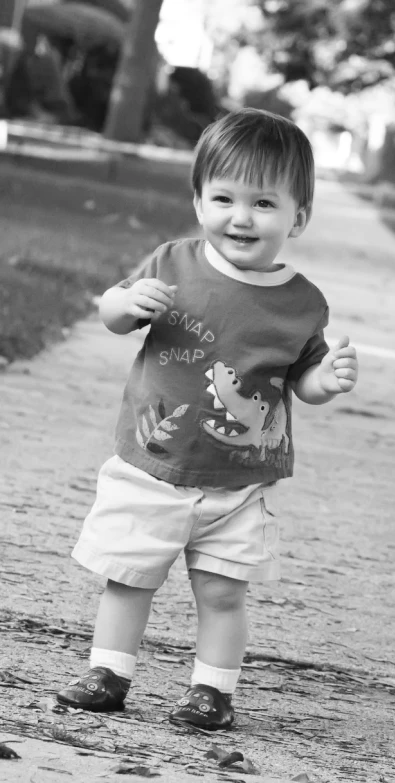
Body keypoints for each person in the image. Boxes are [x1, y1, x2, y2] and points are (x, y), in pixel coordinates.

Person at [56, 108, 359, 730]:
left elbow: (302, 377)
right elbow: (113, 313)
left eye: (263, 203)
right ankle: (109, 673)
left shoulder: (303, 303)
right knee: (129, 577)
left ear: (297, 217)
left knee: (223, 591)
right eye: (223, 197)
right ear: (199, 202)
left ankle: (212, 691)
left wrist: (324, 381)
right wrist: (124, 303)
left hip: (239, 484)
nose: (240, 216)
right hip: (153, 467)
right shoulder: (172, 264)